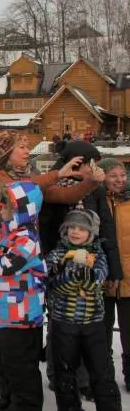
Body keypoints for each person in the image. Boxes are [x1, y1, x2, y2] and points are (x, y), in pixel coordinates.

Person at [0, 130, 95, 395]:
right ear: (6, 151)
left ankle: (16, 385)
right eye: (21, 147)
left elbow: (62, 196)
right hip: (2, 251)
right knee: (1, 318)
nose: (28, 151)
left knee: (18, 318)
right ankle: (0, 376)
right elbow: (15, 191)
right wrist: (57, 174)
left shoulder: (29, 176)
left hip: (22, 254)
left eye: (27, 146)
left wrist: (89, 182)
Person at [46, 208, 121, 410]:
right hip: (63, 323)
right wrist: (73, 273)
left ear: (91, 233)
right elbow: (55, 286)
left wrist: (80, 273)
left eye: (81, 228)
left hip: (93, 323)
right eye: (71, 227)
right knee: (64, 372)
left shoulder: (98, 254)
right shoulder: (56, 254)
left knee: (101, 371)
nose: (75, 232)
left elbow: (97, 282)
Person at [0, 181, 46, 411]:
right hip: (7, 314)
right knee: (6, 362)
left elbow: (3, 267)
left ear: (23, 209)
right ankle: (8, 401)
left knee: (21, 368)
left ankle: (26, 406)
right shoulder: (12, 234)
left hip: (23, 317)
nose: (0, 206)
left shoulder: (27, 238)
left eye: (6, 203)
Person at [99, 157, 130, 389]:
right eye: (113, 176)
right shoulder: (96, 201)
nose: (119, 180)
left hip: (129, 277)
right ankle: (103, 377)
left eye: (122, 175)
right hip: (104, 279)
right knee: (102, 334)